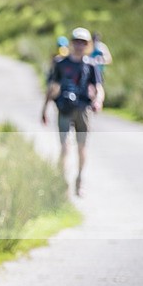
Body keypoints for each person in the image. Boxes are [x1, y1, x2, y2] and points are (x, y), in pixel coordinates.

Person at [42, 27, 104, 197]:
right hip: (64, 109)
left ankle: (79, 180)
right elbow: (52, 88)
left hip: (83, 110)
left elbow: (99, 88)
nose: (79, 45)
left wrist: (98, 100)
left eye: (82, 43)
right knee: (64, 147)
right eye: (76, 42)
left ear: (87, 45)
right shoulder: (61, 64)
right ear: (72, 43)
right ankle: (62, 181)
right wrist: (45, 108)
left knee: (82, 147)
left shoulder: (91, 65)